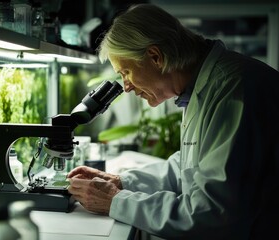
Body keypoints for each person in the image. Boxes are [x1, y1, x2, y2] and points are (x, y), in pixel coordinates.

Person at [67, 3, 279, 240]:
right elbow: (190, 168)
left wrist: (115, 201)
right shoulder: (204, 87)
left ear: (155, 57)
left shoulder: (234, 92)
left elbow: (213, 215)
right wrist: (122, 182)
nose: (126, 87)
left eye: (125, 72)